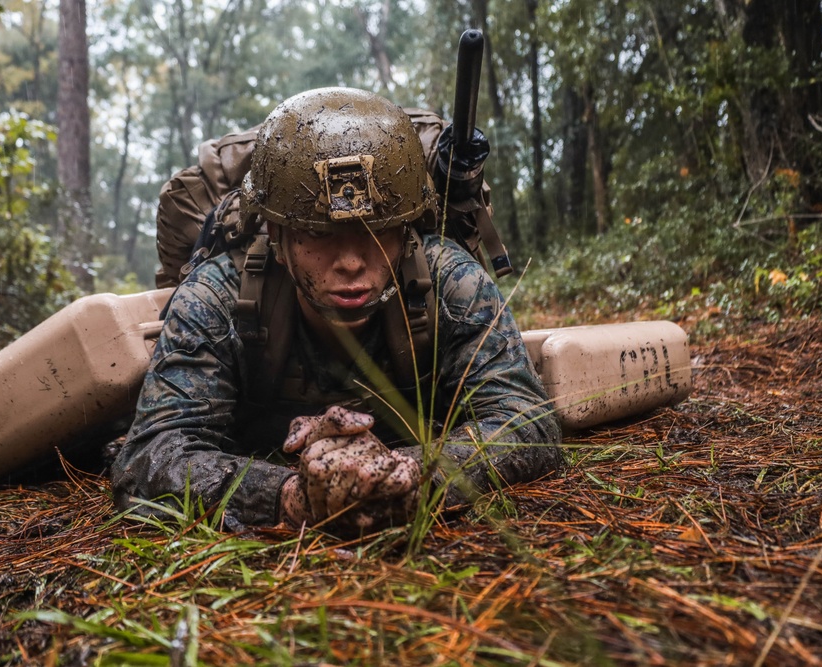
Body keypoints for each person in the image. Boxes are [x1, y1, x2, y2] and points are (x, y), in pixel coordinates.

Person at [110, 87, 563, 534]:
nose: (350, 263)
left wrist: (406, 473)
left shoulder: (451, 281)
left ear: (407, 232)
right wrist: (289, 496)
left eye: (376, 233)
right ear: (278, 236)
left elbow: (527, 421)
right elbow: (154, 450)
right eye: (322, 235)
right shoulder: (217, 295)